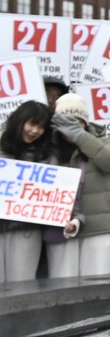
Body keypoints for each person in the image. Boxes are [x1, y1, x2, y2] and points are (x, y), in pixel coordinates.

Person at [43, 94, 110, 278]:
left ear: (86, 123)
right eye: (67, 121)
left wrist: (81, 138)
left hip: (99, 227)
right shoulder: (49, 147)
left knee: (97, 284)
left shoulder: (102, 141)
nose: (71, 127)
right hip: (62, 227)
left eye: (77, 122)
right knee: (62, 285)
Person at [1, 102, 56, 282]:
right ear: (19, 121)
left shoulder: (46, 156)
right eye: (32, 124)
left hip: (26, 229)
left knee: (21, 285)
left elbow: (55, 191)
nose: (35, 131)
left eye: (41, 127)